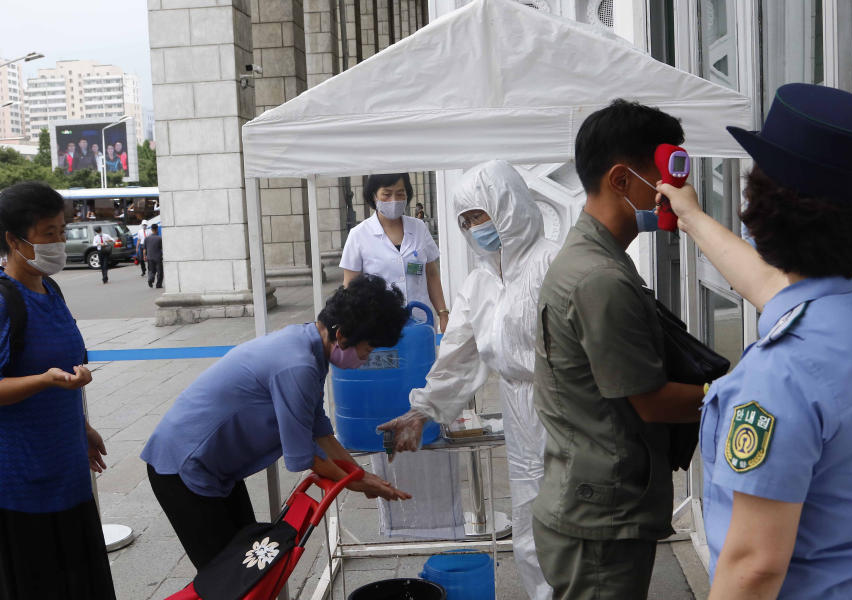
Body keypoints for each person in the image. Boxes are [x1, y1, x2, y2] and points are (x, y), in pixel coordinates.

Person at [658, 83, 852, 600]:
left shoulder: (778, 377)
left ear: (766, 212)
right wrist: (690, 216)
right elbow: (769, 286)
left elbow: (754, 567)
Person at [532, 100, 704, 600]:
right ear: (622, 180)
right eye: (667, 175)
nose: (675, 192)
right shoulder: (600, 278)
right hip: (601, 518)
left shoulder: (594, 259)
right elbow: (648, 398)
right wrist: (733, 393)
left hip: (591, 500)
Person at [141, 274, 413, 569]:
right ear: (343, 335)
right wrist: (357, 484)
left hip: (215, 468)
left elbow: (320, 432)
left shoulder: (309, 345)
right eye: (368, 349)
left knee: (248, 566)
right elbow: (305, 456)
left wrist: (361, 476)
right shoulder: (297, 364)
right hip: (183, 467)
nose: (365, 359)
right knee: (226, 577)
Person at [379, 160, 558, 600]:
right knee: (531, 529)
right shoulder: (480, 284)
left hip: (565, 407)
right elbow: (457, 354)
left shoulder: (554, 263)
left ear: (508, 205)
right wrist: (421, 411)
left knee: (571, 523)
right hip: (520, 414)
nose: (475, 227)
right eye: (466, 221)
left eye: (480, 214)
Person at [0, 182, 115, 599]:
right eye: (49, 233)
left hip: (66, 470)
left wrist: (81, 426)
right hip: (21, 481)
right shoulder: (3, 299)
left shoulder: (52, 290)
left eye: (62, 231)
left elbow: (64, 366)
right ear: (15, 240)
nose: (59, 243)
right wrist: (45, 381)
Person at [340, 173, 449, 332]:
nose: (394, 200)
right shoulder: (358, 235)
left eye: (400, 193)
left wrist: (443, 313)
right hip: (378, 325)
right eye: (386, 194)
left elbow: (431, 273)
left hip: (420, 320)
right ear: (374, 196)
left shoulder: (419, 228)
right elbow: (350, 285)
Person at [143, 224, 163, 289]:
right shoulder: (159, 238)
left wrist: (144, 256)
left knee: (151, 270)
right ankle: (158, 285)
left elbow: (144, 249)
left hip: (149, 257)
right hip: (158, 257)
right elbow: (162, 248)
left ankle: (150, 279)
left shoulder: (147, 238)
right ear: (157, 229)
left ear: (151, 229)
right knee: (160, 271)